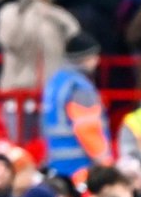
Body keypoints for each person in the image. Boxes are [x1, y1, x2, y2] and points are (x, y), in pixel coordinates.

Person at [42, 32, 112, 184]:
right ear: (85, 57)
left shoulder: (55, 83)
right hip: (80, 167)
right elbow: (87, 129)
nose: (97, 61)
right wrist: (106, 165)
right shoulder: (80, 88)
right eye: (95, 56)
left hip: (56, 163)